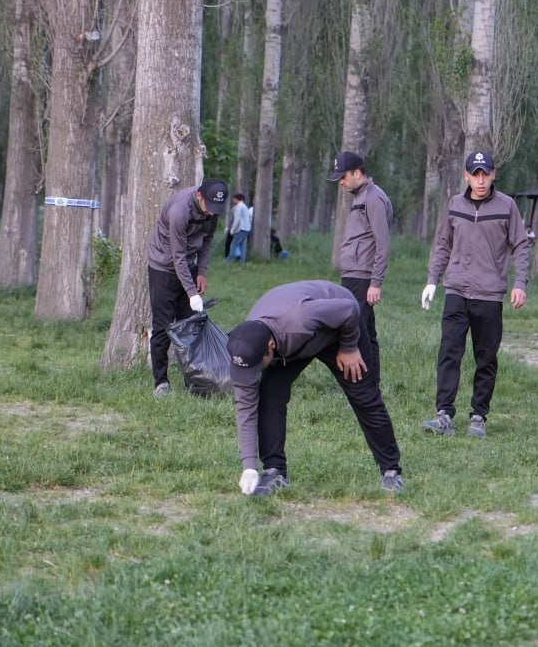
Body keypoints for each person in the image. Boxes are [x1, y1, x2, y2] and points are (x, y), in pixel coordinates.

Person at [226, 281, 404, 495]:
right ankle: (275, 471)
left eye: (256, 366)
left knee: (364, 397)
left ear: (269, 347)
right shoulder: (248, 345)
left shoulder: (300, 318)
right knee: (270, 393)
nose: (250, 374)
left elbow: (349, 309)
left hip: (338, 326)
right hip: (294, 343)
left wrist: (349, 347)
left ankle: (391, 471)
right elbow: (245, 407)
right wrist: (249, 467)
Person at [420, 151, 530, 439]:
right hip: (456, 291)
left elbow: (521, 245)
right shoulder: (455, 205)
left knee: (486, 358)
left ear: (493, 175)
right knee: (449, 353)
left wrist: (520, 283)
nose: (480, 180)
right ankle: (444, 414)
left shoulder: (507, 206)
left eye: (485, 173)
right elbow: (443, 244)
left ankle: (478, 416)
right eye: (475, 174)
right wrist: (433, 280)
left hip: (489, 295)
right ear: (466, 176)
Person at [146, 178, 228, 397]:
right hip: (163, 268)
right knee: (164, 326)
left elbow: (208, 239)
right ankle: (161, 383)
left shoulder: (212, 208)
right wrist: (192, 293)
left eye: (216, 210)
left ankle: (194, 379)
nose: (212, 213)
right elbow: (177, 256)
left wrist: (201, 272)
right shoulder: (179, 211)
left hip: (189, 266)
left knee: (190, 325)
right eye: (209, 208)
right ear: (199, 196)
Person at [327, 150, 392, 373]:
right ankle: (371, 383)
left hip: (361, 276)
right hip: (354, 274)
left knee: (354, 331)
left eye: (343, 177)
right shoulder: (361, 197)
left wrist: (375, 283)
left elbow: (382, 243)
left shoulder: (373, 198)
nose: (341, 182)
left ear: (357, 173)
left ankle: (362, 386)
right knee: (367, 333)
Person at [227, 193, 252, 263]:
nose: (233, 200)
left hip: (241, 229)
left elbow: (236, 220)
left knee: (233, 244)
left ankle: (229, 260)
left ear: (236, 199)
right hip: (247, 229)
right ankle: (242, 260)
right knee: (242, 245)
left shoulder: (239, 207)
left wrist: (232, 229)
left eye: (234, 199)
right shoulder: (244, 206)